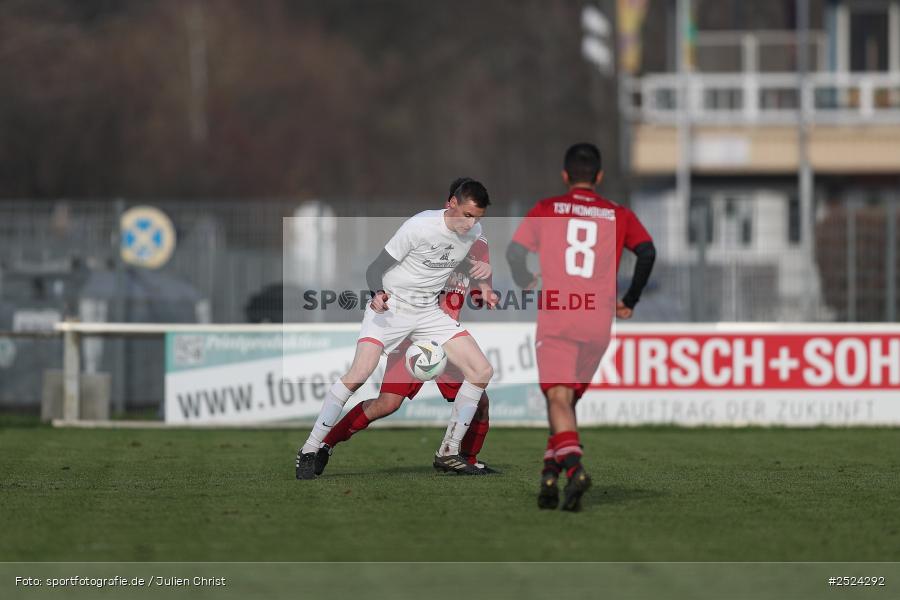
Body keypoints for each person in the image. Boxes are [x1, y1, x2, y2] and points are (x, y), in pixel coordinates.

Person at [296, 178, 495, 479]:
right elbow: (375, 268)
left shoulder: (474, 233)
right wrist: (377, 294)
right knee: (359, 375)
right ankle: (310, 449)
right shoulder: (419, 226)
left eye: (477, 218)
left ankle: (449, 452)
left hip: (428, 312)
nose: (472, 224)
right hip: (392, 308)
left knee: (481, 372)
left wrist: (479, 272)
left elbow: (449, 262)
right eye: (467, 215)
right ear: (451, 204)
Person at [506, 143, 656, 511]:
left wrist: (525, 278)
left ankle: (574, 469)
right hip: (597, 323)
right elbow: (648, 252)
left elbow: (514, 252)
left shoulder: (546, 209)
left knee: (557, 398)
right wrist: (630, 300)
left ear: (565, 175)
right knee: (566, 403)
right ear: (599, 177)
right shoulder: (617, 213)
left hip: (560, 317)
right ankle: (549, 474)